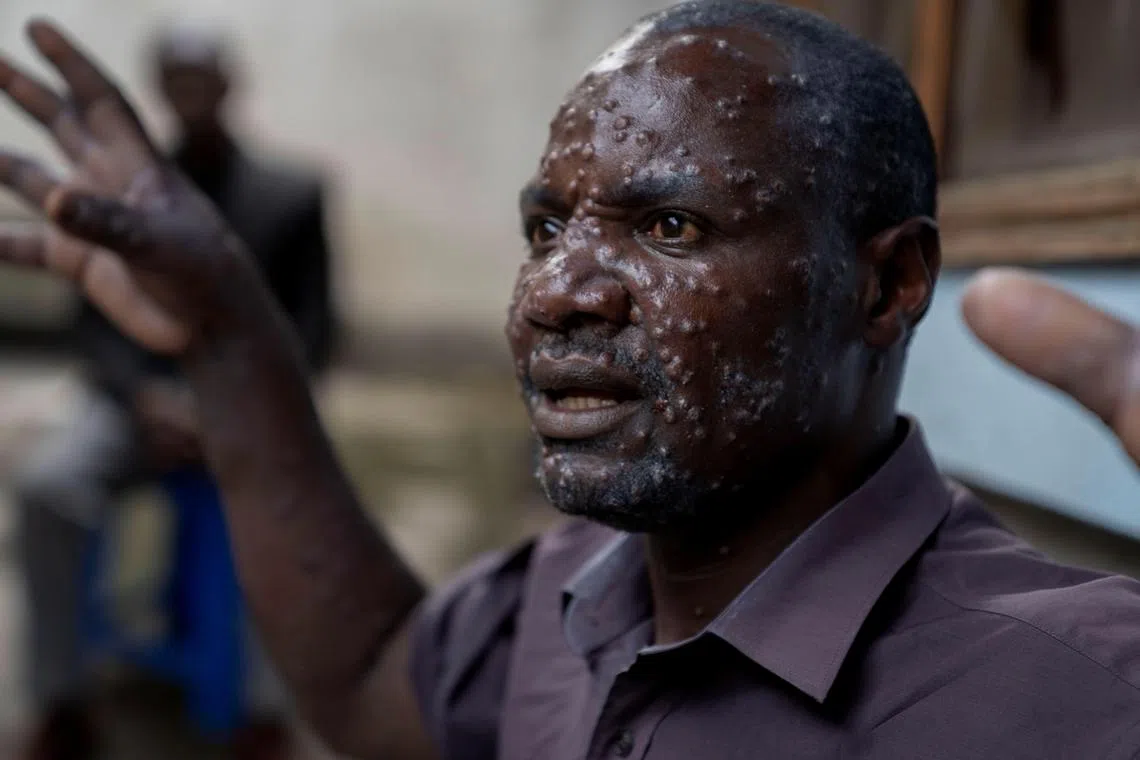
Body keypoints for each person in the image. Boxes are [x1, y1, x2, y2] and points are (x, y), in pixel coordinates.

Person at [0, 2, 1138, 758]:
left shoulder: (1065, 691)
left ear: (885, 285)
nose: (555, 291)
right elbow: (369, 675)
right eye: (547, 228)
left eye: (674, 224)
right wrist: (228, 336)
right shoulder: (578, 588)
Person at [7, 21, 335, 760]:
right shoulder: (123, 195)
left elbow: (315, 330)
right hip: (138, 408)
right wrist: (145, 400)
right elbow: (94, 327)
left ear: (229, 83)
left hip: (249, 412)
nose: (191, 95)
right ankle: (60, 698)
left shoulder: (290, 196)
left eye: (203, 79)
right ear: (159, 89)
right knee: (47, 487)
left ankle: (262, 708)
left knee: (287, 509)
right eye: (176, 80)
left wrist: (243, 404)